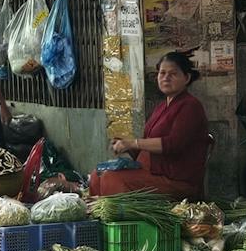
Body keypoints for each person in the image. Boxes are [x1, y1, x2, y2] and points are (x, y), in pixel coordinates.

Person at [89, 51, 211, 199]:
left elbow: (173, 144)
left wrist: (133, 143)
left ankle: (119, 218)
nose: (166, 78)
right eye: (162, 73)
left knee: (111, 178)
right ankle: (97, 218)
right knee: (97, 174)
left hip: (175, 179)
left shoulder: (190, 106)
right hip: (150, 171)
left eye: (173, 74)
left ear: (186, 78)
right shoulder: (162, 106)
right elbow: (145, 145)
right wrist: (126, 145)